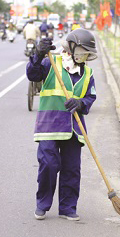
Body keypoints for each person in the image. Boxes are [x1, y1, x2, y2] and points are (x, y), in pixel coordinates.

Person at [26, 28, 98, 222]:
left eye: (87, 53)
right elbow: (33, 75)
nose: (84, 55)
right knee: (49, 165)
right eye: (82, 51)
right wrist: (37, 54)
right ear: (72, 47)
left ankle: (67, 207)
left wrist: (81, 103)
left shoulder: (88, 73)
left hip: (74, 129)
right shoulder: (51, 63)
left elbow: (90, 97)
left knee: (72, 169)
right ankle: (42, 204)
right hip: (49, 126)